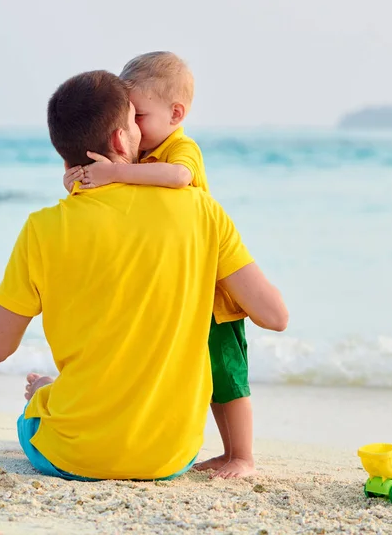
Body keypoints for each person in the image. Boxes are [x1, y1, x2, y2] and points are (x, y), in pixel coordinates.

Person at [0, 70, 288, 481]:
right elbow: (275, 316)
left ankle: (50, 393)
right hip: (170, 459)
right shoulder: (201, 210)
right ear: (119, 140)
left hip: (73, 458)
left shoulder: (42, 227)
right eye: (134, 122)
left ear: (63, 151)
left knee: (33, 412)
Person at [63, 52, 255, 478]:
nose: (133, 127)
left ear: (175, 113)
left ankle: (242, 455)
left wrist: (114, 175)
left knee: (228, 375)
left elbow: (177, 180)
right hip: (180, 288)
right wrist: (81, 175)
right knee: (203, 377)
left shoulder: (180, 149)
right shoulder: (140, 153)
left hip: (213, 289)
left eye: (140, 116)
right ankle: (222, 451)